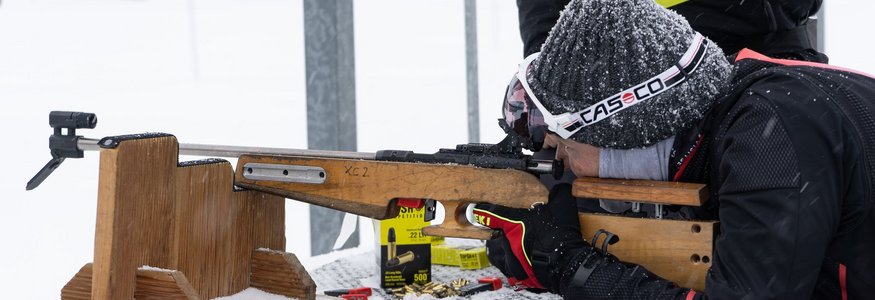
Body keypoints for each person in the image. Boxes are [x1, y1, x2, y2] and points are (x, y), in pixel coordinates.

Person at [477, 0, 875, 298]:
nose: (564, 164)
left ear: (624, 133)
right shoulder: (741, 101)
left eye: (564, 147)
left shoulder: (772, 137)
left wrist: (570, 264)